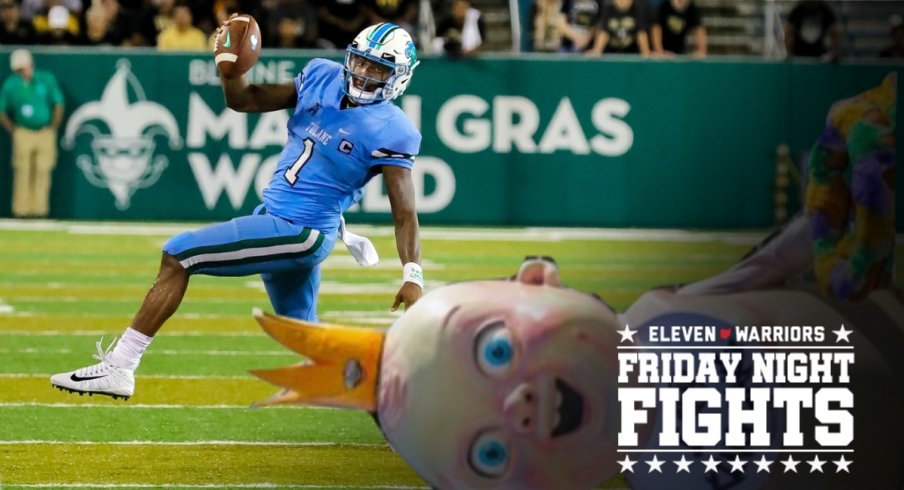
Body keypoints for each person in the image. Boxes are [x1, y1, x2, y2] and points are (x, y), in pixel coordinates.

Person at [50, 21, 424, 400]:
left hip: (302, 232)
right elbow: (244, 100)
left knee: (180, 254)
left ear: (398, 78)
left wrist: (413, 275)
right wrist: (231, 69)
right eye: (361, 63)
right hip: (275, 218)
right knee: (306, 339)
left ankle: (121, 365)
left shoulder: (393, 130)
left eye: (377, 69)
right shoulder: (322, 76)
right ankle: (395, 402)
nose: (364, 74)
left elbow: (404, 213)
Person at [0, 49, 65, 219]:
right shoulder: (11, 84)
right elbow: (1, 109)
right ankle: (21, 211)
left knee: (43, 171)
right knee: (22, 171)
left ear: (31, 64)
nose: (23, 72)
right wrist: (13, 129)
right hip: (23, 132)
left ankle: (39, 211)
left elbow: (59, 103)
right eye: (19, 69)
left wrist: (53, 126)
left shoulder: (46, 79)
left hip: (44, 132)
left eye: (24, 67)